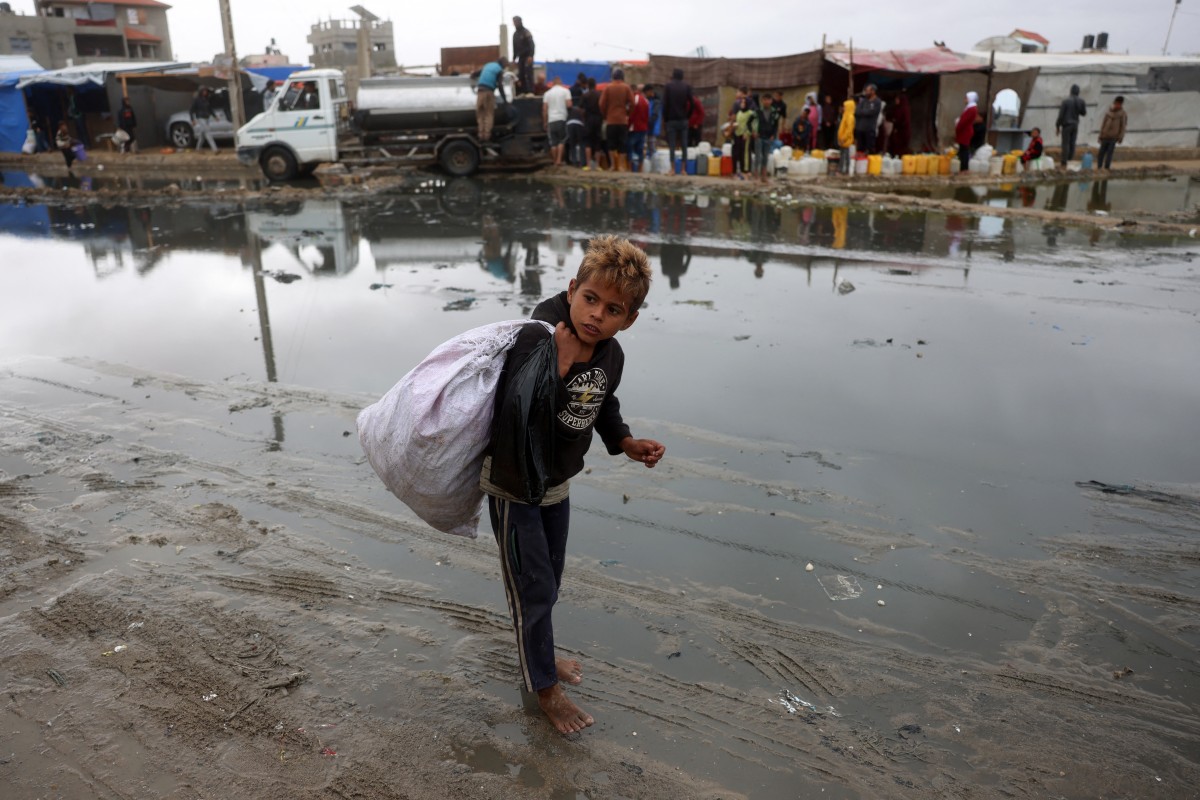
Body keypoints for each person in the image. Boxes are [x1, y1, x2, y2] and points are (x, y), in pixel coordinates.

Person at [481, 235, 665, 734]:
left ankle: (541, 656)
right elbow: (516, 413)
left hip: (558, 482)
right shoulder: (538, 335)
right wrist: (559, 365)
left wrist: (623, 441)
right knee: (531, 587)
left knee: (549, 580)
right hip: (515, 482)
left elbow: (601, 402)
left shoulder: (611, 354)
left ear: (628, 319)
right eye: (589, 299)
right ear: (571, 289)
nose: (595, 315)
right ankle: (543, 687)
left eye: (612, 309)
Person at [599, 68, 634, 171]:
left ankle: (613, 165)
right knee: (622, 143)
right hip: (622, 119)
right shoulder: (626, 88)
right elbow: (632, 103)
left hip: (611, 120)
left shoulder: (608, 88)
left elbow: (601, 104)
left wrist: (605, 115)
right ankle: (622, 166)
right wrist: (628, 113)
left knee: (611, 143)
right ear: (622, 77)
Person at [662, 68, 692, 175]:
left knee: (672, 145)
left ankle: (673, 169)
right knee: (684, 144)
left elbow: (665, 104)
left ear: (673, 75)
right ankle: (683, 170)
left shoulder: (668, 86)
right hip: (683, 119)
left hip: (671, 119)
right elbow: (692, 103)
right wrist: (687, 115)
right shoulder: (686, 86)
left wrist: (665, 118)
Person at [475, 57, 508, 142]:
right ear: (502, 64)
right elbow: (500, 86)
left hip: (480, 91)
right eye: (505, 65)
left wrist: (472, 75)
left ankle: (480, 135)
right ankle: (486, 137)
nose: (504, 68)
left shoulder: (487, 65)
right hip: (489, 91)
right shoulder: (499, 70)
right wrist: (505, 99)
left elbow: (476, 73)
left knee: (480, 113)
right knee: (488, 114)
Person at [542, 75, 571, 166]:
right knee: (561, 140)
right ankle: (559, 160)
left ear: (553, 83)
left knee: (553, 142)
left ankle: (554, 161)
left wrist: (545, 122)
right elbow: (569, 104)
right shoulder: (566, 91)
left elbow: (544, 109)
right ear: (560, 82)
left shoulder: (547, 93)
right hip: (562, 118)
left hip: (551, 120)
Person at [1055, 84, 1087, 164]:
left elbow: (1061, 115)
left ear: (1071, 91)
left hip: (1067, 125)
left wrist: (1057, 125)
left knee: (1065, 143)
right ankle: (1070, 159)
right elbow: (1083, 113)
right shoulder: (1081, 101)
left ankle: (1064, 161)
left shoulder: (1066, 101)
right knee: (1072, 143)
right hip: (1075, 124)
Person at [1097, 95, 1127, 171]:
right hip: (1105, 136)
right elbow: (1103, 124)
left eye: (1119, 104)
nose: (1117, 105)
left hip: (1113, 137)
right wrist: (1100, 135)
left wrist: (1120, 137)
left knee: (1109, 154)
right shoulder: (1108, 112)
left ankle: (1107, 168)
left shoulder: (1122, 114)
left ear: (1121, 104)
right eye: (1116, 103)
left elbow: (1123, 127)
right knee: (1101, 153)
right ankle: (1099, 167)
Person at [753, 93, 779, 181]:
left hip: (768, 137)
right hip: (759, 136)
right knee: (758, 156)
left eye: (769, 100)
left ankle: (763, 175)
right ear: (762, 101)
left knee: (765, 156)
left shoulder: (774, 112)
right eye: (765, 100)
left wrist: (773, 135)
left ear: (771, 101)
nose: (767, 102)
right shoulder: (757, 111)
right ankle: (756, 175)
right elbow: (750, 122)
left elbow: (776, 125)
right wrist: (753, 132)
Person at [581, 77, 603, 170]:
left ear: (587, 85)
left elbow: (581, 109)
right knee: (597, 142)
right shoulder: (600, 95)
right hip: (598, 119)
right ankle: (597, 165)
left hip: (588, 119)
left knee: (588, 142)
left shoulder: (585, 95)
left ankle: (589, 165)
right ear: (595, 85)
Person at [955, 91, 980, 172]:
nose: (965, 100)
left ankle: (964, 168)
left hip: (965, 131)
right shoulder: (970, 108)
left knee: (964, 149)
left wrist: (958, 125)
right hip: (964, 131)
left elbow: (964, 121)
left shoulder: (971, 109)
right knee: (962, 149)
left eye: (966, 98)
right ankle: (963, 167)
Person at [854, 84, 882, 154]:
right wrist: (865, 111)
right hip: (860, 129)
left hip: (870, 129)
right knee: (860, 150)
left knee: (869, 150)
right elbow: (857, 111)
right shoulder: (864, 100)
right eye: (866, 91)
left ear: (873, 91)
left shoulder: (877, 102)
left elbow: (872, 113)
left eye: (868, 91)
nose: (866, 92)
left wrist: (863, 111)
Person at [627, 84, 649, 173]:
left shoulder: (634, 99)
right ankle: (640, 168)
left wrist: (628, 125)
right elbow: (647, 116)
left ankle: (629, 168)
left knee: (629, 147)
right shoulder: (646, 100)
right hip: (643, 128)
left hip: (634, 127)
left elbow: (632, 114)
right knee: (640, 149)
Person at [190, 86, 219, 152]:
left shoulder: (206, 99)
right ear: (201, 92)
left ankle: (198, 148)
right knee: (208, 132)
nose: (205, 92)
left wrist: (215, 116)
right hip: (200, 118)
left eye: (206, 91)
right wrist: (192, 120)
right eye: (204, 91)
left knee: (202, 135)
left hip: (207, 117)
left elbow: (210, 109)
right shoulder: (197, 100)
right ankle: (215, 149)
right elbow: (191, 110)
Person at [733, 100, 756, 178]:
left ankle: (746, 169)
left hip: (746, 135)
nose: (742, 104)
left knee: (746, 152)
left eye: (744, 103)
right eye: (741, 103)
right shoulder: (739, 113)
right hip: (738, 133)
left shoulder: (750, 113)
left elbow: (752, 124)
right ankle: (740, 169)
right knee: (739, 152)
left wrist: (747, 133)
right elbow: (737, 122)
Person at [512, 16, 535, 96]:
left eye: (516, 21)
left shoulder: (526, 32)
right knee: (521, 74)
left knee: (528, 74)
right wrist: (514, 59)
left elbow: (531, 44)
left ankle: (530, 91)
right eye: (514, 22)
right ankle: (523, 91)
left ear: (520, 21)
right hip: (520, 57)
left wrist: (531, 56)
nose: (515, 23)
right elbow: (514, 48)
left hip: (527, 56)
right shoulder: (515, 34)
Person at [888, 92, 910, 157]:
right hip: (896, 131)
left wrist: (897, 126)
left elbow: (905, 121)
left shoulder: (905, 109)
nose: (896, 101)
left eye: (897, 99)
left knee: (900, 149)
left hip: (902, 132)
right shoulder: (897, 108)